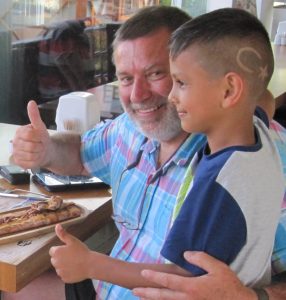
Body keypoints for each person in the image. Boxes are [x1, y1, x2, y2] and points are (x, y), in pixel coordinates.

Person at [11, 6, 286, 300]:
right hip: (107, 287)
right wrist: (46, 149)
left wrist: (251, 297)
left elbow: (181, 277)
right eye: (126, 79)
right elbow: (80, 153)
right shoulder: (129, 129)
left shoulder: (243, 171)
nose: (138, 96)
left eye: (158, 74)